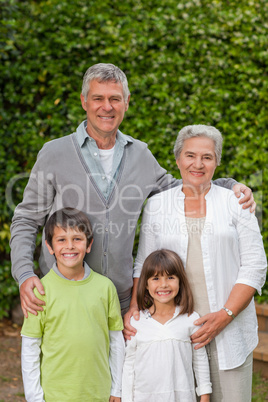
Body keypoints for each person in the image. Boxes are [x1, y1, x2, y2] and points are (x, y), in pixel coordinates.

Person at [10, 63, 255, 320]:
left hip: (120, 301)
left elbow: (183, 188)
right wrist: (25, 274)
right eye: (98, 98)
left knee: (118, 362)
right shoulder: (54, 153)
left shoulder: (140, 155)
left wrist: (229, 184)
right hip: (61, 294)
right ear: (84, 101)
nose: (107, 106)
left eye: (115, 99)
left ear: (126, 103)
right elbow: (26, 219)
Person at [131, 125, 267, 401]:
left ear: (217, 162)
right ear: (178, 159)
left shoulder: (236, 202)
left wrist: (224, 316)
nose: (198, 164)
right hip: (176, 331)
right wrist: (135, 308)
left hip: (229, 330)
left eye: (207, 157)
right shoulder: (156, 206)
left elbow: (255, 266)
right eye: (190, 155)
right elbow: (143, 266)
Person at [21, 208, 124, 402]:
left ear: (89, 244)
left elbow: (116, 341)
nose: (70, 246)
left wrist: (116, 389)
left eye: (77, 239)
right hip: (54, 396)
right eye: (61, 240)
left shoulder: (106, 288)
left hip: (99, 394)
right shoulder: (40, 291)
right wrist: (35, 398)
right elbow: (30, 348)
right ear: (49, 247)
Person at [122, 249, 212, 402]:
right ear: (145, 284)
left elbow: (200, 360)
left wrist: (204, 395)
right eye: (156, 278)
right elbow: (129, 366)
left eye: (170, 277)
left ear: (180, 281)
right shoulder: (137, 323)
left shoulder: (191, 319)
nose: (163, 285)